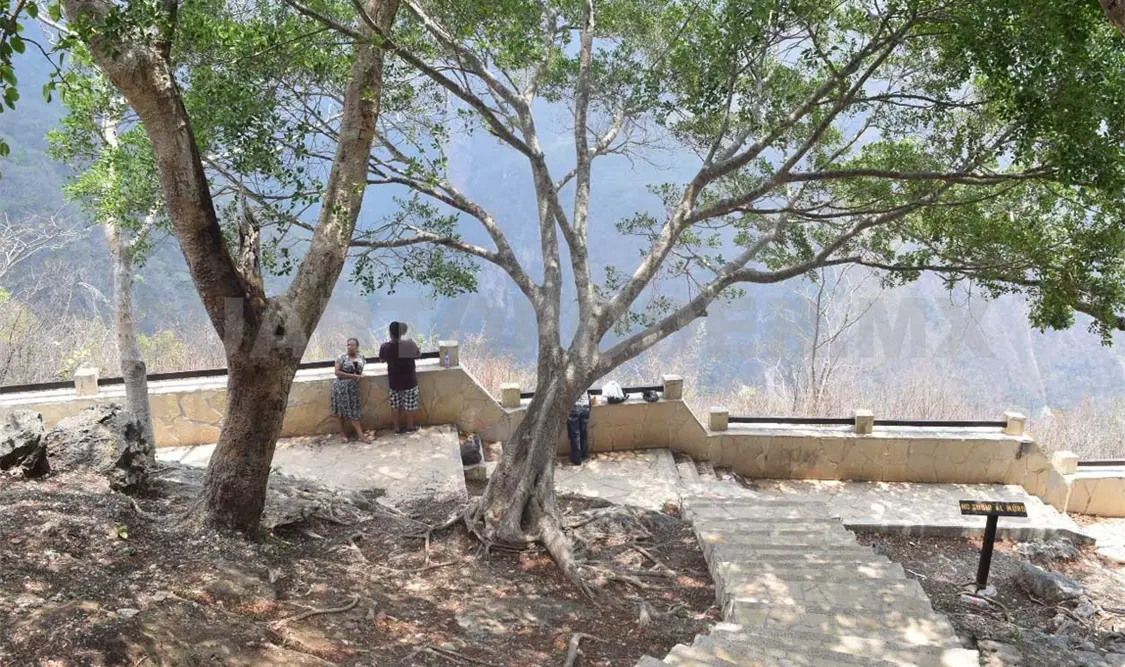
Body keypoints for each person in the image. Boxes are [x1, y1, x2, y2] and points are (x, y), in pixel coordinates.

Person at [379, 321, 421, 434]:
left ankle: (396, 428)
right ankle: (410, 426)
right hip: (409, 381)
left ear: (390, 333)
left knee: (395, 405)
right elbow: (418, 355)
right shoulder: (409, 344)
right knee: (410, 405)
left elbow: (382, 360)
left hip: (394, 381)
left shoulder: (385, 347)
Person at [331, 337, 371, 443]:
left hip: (353, 389)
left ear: (357, 347)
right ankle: (343, 432)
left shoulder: (361, 358)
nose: (350, 347)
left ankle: (360, 435)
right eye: (348, 345)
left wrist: (358, 376)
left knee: (354, 411)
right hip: (341, 388)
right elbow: (337, 372)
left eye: (352, 345)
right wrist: (352, 376)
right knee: (341, 411)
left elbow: (359, 371)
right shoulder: (341, 357)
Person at [567, 388, 591, 465]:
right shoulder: (585, 378)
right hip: (585, 407)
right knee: (583, 433)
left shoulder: (570, 381)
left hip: (574, 407)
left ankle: (576, 458)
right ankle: (584, 455)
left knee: (574, 434)